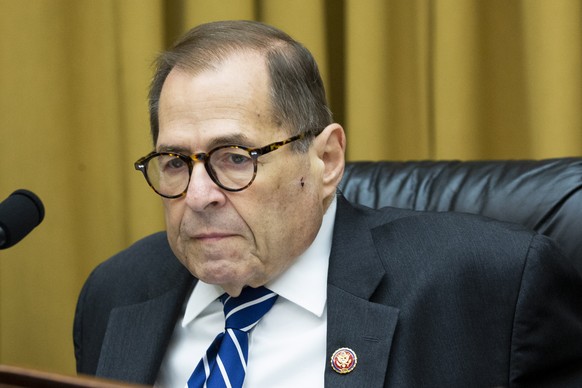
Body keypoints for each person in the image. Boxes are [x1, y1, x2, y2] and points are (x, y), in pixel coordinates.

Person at [73, 20, 582, 387]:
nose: (200, 195)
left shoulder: (487, 287)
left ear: (327, 159)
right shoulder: (116, 292)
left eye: (234, 158)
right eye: (176, 162)